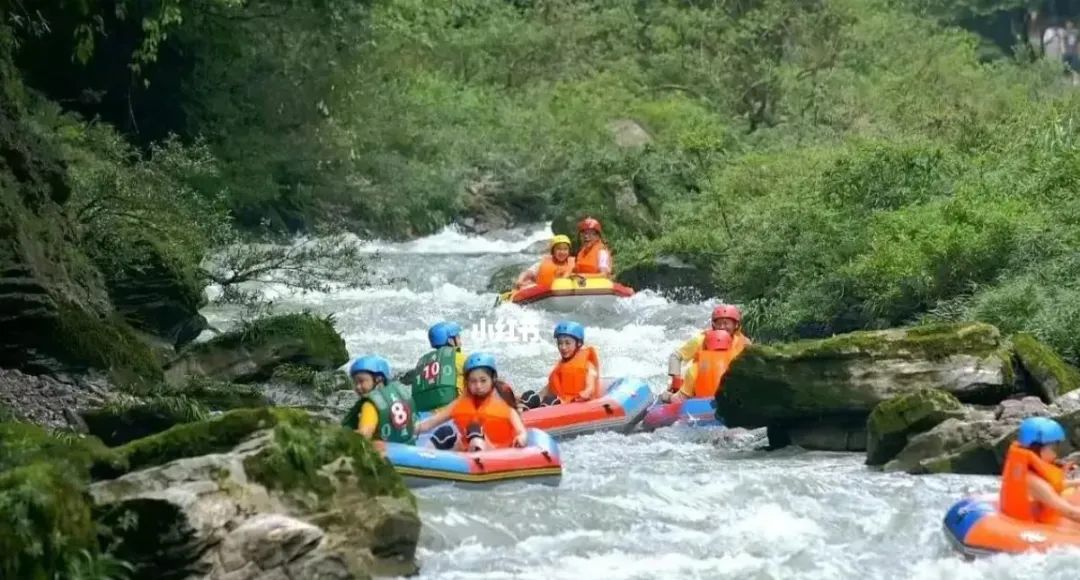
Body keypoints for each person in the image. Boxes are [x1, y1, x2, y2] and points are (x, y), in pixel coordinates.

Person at [418, 352, 528, 451]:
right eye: (473, 381)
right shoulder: (459, 404)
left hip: (496, 453)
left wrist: (521, 438)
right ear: (467, 382)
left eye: (483, 380)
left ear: (493, 379)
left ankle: (477, 462)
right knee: (446, 433)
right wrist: (407, 428)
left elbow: (522, 432)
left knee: (474, 429)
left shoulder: (504, 405)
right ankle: (421, 462)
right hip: (466, 455)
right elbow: (429, 423)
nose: (478, 386)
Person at [1000, 417, 1080, 525]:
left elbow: (1053, 486)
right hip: (1033, 528)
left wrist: (1076, 482)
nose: (1056, 454)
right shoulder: (1034, 482)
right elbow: (1071, 513)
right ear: (1038, 449)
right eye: (1054, 448)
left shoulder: (1028, 471)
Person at [667, 304, 752, 394]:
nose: (722, 327)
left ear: (736, 325)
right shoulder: (701, 340)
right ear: (714, 325)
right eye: (719, 323)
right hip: (699, 384)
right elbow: (675, 356)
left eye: (726, 323)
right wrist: (676, 381)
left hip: (730, 388)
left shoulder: (744, 343)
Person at [521, 321, 601, 409]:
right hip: (560, 403)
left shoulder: (588, 365)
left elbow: (590, 388)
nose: (563, 347)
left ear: (579, 343)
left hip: (576, 405)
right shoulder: (560, 368)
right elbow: (546, 391)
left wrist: (585, 393)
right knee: (530, 396)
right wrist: (532, 399)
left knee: (550, 401)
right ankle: (520, 411)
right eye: (560, 343)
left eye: (567, 343)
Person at [341, 355, 417, 444]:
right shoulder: (402, 394)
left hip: (382, 453)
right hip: (407, 447)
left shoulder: (369, 405)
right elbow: (416, 426)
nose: (357, 387)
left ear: (378, 379)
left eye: (361, 381)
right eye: (355, 383)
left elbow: (364, 435)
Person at [658, 329, 734, 403]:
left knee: (665, 396)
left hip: (701, 407)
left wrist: (667, 397)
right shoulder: (738, 364)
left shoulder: (694, 369)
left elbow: (679, 399)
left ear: (705, 347)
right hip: (729, 405)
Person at [412, 321, 466, 413]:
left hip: (428, 414)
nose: (460, 341)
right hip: (453, 412)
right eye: (458, 337)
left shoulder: (423, 362)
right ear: (450, 341)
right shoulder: (459, 358)